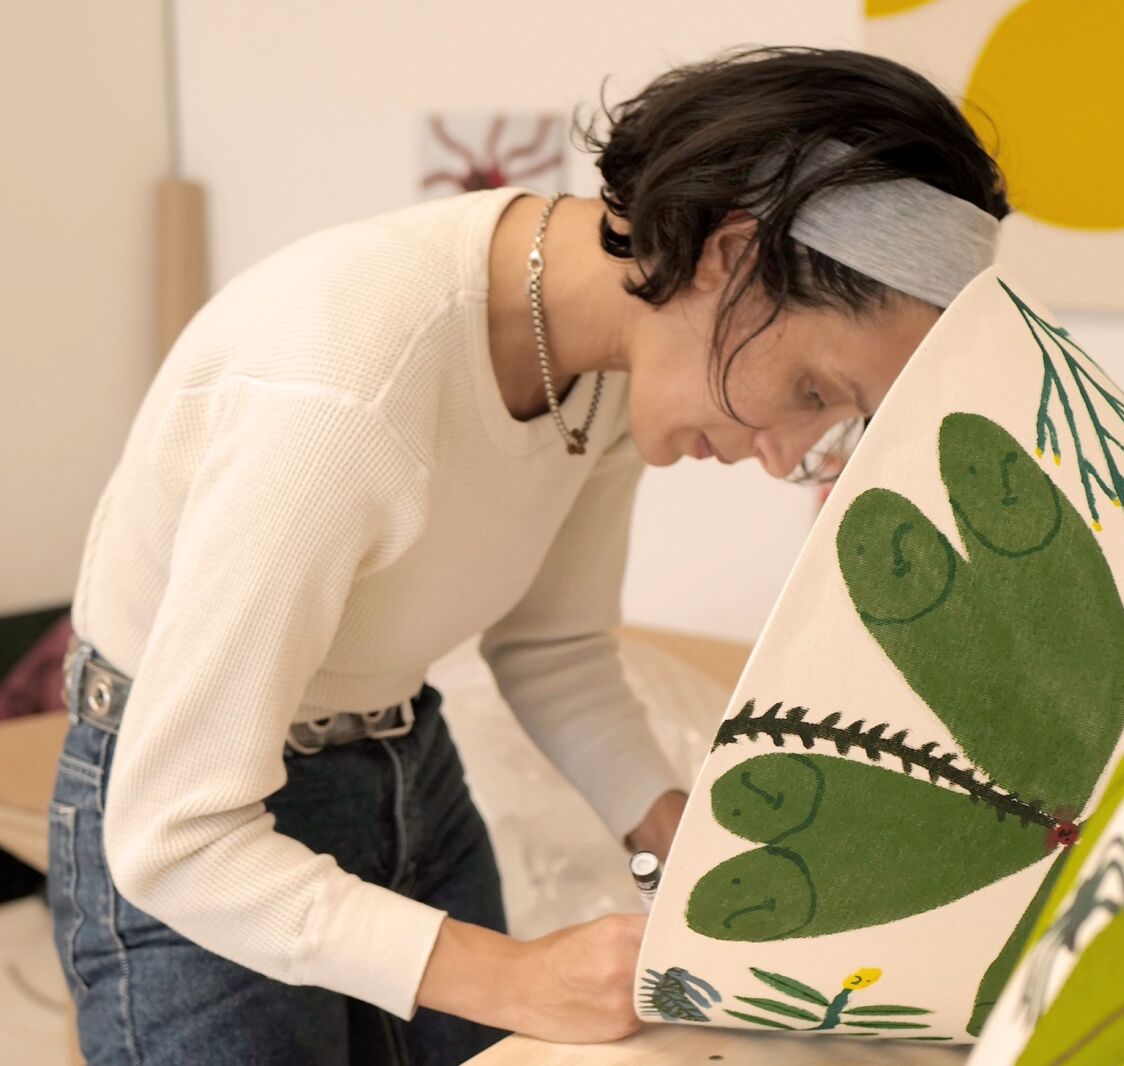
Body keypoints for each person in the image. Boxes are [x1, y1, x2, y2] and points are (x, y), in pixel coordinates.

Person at [49, 45, 1008, 1064]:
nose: (785, 459)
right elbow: (174, 834)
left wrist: (677, 841)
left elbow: (554, 650)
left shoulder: (608, 358)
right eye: (812, 391)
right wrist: (516, 974)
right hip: (200, 826)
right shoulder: (338, 396)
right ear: (730, 257)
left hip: (408, 762)